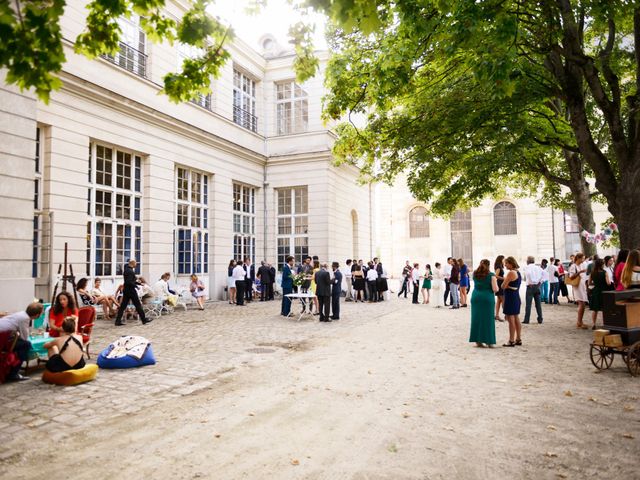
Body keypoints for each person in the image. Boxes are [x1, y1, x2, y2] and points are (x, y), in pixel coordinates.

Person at [0, 302, 44, 381]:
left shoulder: (22, 314)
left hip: (4, 336)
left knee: (22, 344)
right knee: (26, 345)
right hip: (2, 339)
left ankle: (11, 368)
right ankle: (13, 373)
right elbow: (24, 337)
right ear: (37, 314)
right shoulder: (25, 318)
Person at [469, 259, 498, 347]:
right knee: (488, 319)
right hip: (487, 298)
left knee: (476, 318)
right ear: (489, 265)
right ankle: (489, 341)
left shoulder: (475, 274)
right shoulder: (491, 275)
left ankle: (478, 340)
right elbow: (495, 289)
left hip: (476, 297)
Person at [114, 259, 149, 326]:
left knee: (123, 306)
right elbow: (129, 282)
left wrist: (139, 284)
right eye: (135, 263)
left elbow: (130, 281)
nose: (136, 265)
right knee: (138, 305)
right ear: (132, 263)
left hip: (126, 290)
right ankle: (144, 320)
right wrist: (136, 286)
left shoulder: (127, 270)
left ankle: (117, 321)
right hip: (131, 290)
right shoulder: (130, 271)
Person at [502, 256, 522, 347]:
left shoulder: (511, 273)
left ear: (510, 263)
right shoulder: (518, 272)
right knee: (516, 318)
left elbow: (503, 286)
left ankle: (511, 340)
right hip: (516, 296)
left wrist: (507, 285)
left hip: (510, 297)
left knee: (511, 319)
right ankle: (518, 338)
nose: (505, 265)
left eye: (506, 263)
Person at [588, 258, 612, 329]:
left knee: (595, 309)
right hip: (604, 291)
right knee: (604, 309)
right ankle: (605, 323)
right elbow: (608, 283)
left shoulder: (592, 273)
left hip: (596, 291)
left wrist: (595, 283)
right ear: (602, 264)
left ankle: (593, 324)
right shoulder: (605, 272)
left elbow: (589, 283)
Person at [568, 253, 589, 329]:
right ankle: (579, 322)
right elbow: (571, 277)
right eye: (582, 258)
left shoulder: (583, 265)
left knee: (583, 304)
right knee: (582, 303)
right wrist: (579, 272)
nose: (583, 260)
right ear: (578, 258)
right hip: (577, 286)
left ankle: (580, 321)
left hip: (582, 285)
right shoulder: (573, 266)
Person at [522, 256, 543, 324]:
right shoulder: (538, 267)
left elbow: (528, 274)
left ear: (528, 261)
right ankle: (540, 319)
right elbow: (544, 275)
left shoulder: (527, 267)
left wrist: (531, 282)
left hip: (530, 287)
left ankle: (527, 319)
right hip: (537, 286)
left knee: (528, 304)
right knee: (538, 304)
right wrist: (540, 282)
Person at [494, 255, 505, 321]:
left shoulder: (500, 266)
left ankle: (497, 315)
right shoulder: (498, 267)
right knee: (503, 300)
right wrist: (504, 278)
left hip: (500, 283)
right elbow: (496, 275)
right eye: (503, 259)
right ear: (500, 259)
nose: (504, 260)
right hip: (500, 284)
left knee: (499, 301)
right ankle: (507, 315)